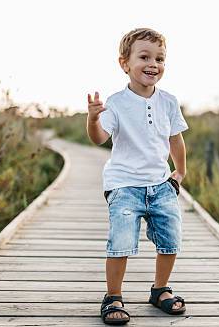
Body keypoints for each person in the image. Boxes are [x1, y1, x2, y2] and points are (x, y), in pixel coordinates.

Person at [86, 27, 188, 325]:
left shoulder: (168, 101)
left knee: (171, 240)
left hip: (160, 185)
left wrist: (179, 172)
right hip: (124, 185)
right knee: (121, 242)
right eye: (144, 57)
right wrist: (93, 118)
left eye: (159, 58)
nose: (152, 64)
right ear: (125, 64)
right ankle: (113, 296)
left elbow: (175, 139)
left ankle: (160, 290)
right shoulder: (116, 103)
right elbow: (99, 137)